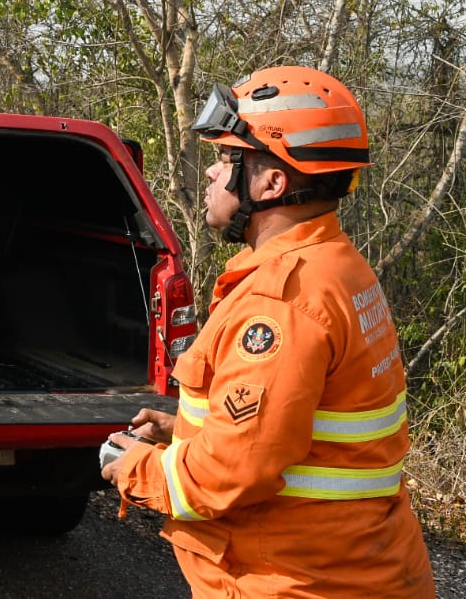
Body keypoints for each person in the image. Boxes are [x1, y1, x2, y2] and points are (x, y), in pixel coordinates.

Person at [102, 66, 434, 597]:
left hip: (294, 580)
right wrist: (186, 432)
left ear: (272, 182)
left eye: (226, 158)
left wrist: (137, 469)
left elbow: (233, 472)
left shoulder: (282, 303)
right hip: (355, 566)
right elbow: (296, 427)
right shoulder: (336, 266)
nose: (211, 173)